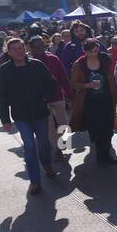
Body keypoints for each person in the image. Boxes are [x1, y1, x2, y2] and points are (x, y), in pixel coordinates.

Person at [0, 38, 59, 196]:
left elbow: (51, 83)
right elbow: (1, 96)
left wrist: (45, 97)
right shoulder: (5, 70)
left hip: (40, 112)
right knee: (30, 146)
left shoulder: (37, 65)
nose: (19, 51)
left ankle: (47, 165)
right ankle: (35, 181)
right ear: (9, 52)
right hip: (21, 115)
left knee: (44, 142)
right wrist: (5, 120)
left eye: (21, 47)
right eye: (15, 49)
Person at [70, 38, 117, 165]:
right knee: (97, 130)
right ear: (85, 52)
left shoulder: (104, 60)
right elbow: (74, 83)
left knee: (108, 129)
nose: (94, 53)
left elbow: (111, 79)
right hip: (89, 102)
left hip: (106, 99)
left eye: (96, 50)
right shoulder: (79, 64)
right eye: (91, 51)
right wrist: (88, 85)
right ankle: (100, 156)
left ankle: (106, 155)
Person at [29, 35, 73, 169]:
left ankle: (64, 144)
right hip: (41, 100)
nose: (41, 48)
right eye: (37, 46)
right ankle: (56, 149)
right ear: (31, 48)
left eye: (43, 45)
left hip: (57, 96)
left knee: (63, 123)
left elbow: (63, 77)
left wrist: (70, 95)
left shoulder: (53, 59)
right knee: (49, 126)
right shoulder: (29, 62)